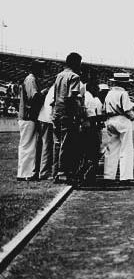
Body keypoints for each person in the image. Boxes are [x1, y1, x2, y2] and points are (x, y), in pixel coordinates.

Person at [52, 53, 83, 183]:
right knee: (66, 143)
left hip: (56, 112)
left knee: (58, 142)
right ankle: (63, 172)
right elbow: (72, 96)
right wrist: (76, 113)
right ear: (76, 63)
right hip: (67, 113)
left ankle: (55, 171)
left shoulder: (59, 75)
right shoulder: (74, 76)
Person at [18, 59, 48, 181]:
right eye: (42, 69)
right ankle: (26, 174)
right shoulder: (31, 79)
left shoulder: (32, 79)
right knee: (28, 145)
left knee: (28, 145)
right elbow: (34, 97)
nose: (44, 72)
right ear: (37, 69)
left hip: (29, 117)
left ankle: (26, 172)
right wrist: (44, 92)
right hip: (28, 116)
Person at [104, 73, 134, 184]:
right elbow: (127, 110)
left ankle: (109, 176)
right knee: (126, 148)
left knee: (111, 148)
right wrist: (133, 115)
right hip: (122, 120)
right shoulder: (123, 93)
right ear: (124, 83)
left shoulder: (109, 93)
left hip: (110, 119)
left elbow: (104, 108)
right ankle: (125, 176)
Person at [36, 85, 54, 180]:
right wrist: (52, 120)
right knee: (47, 145)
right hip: (47, 120)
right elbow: (49, 106)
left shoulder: (52, 88)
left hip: (44, 118)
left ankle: (42, 170)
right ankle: (44, 172)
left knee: (45, 145)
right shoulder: (55, 89)